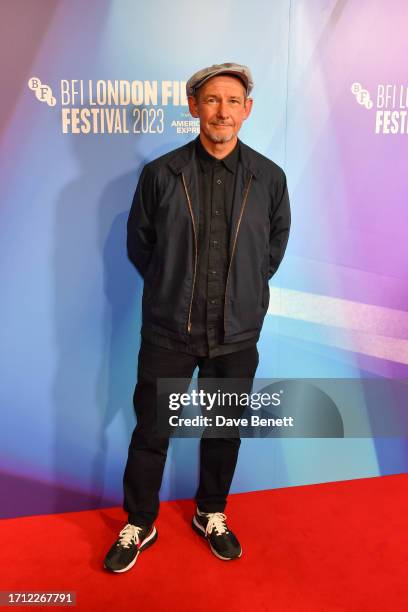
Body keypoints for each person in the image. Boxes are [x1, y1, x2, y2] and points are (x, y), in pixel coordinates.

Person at [104, 62, 291, 573]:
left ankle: (211, 512)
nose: (222, 111)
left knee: (223, 429)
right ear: (193, 107)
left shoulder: (269, 178)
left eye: (233, 101)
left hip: (236, 335)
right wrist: (171, 289)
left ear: (247, 111)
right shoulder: (161, 174)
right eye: (212, 100)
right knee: (152, 431)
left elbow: (272, 249)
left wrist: (244, 295)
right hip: (169, 331)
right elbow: (141, 245)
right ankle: (140, 521)